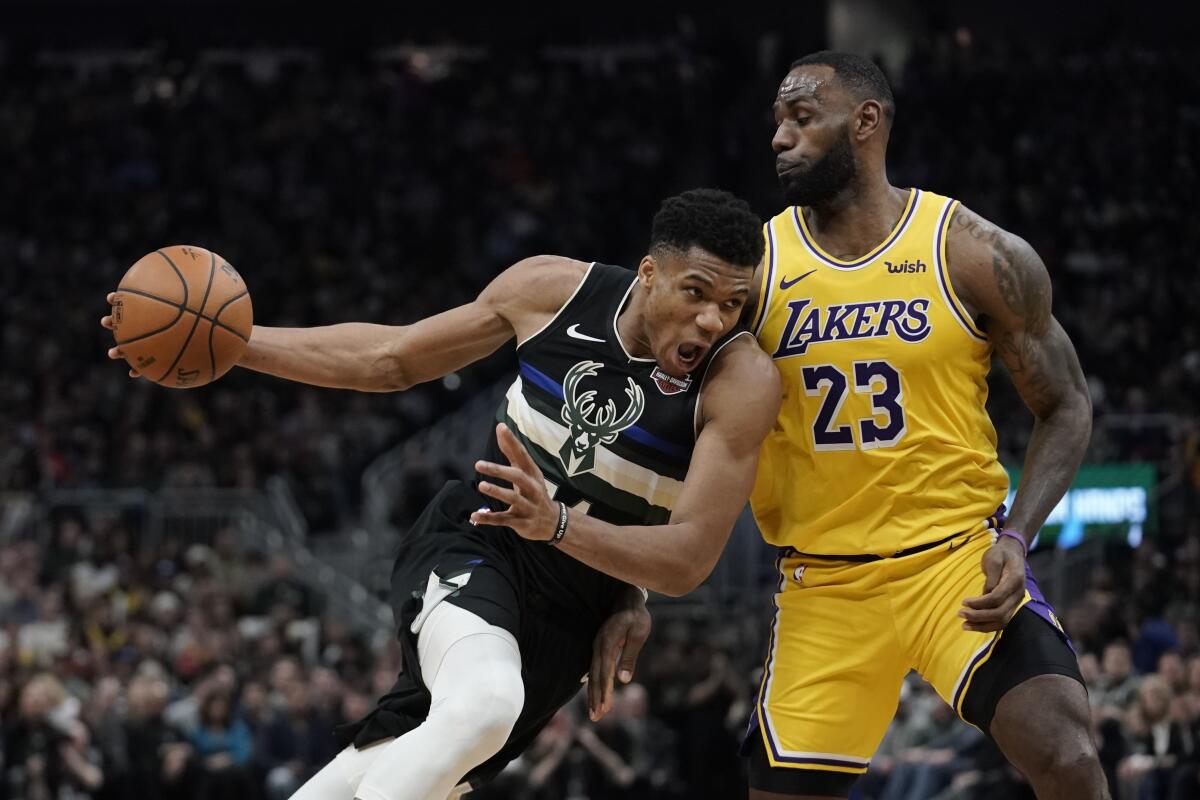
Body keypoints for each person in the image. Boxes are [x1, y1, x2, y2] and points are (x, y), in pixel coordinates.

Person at [102, 188, 781, 799]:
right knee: (483, 704)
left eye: (731, 303)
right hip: (483, 540)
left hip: (579, 609)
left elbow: (690, 558)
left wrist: (576, 541)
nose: (711, 321)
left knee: (405, 768)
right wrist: (232, 344)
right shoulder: (553, 292)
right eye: (696, 293)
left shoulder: (738, 380)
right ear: (650, 273)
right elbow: (391, 360)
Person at [740, 50, 1105, 799]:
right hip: (823, 580)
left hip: (953, 564)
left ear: (866, 122)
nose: (780, 137)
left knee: (1066, 753)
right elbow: (689, 418)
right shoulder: (754, 267)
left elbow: (1065, 403)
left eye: (802, 117)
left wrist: (1017, 536)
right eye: (777, 120)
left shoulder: (971, 251)